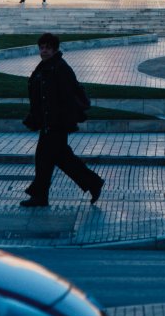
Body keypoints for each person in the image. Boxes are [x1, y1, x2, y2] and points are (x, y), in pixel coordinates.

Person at [21, 33, 104, 208]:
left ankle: (40, 196)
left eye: (48, 48)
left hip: (56, 124)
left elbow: (67, 98)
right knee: (61, 158)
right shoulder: (45, 66)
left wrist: (60, 122)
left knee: (44, 159)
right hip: (48, 122)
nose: (44, 51)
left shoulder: (60, 68)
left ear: (55, 49)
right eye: (42, 48)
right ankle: (93, 183)